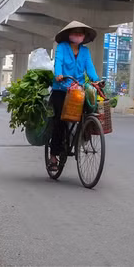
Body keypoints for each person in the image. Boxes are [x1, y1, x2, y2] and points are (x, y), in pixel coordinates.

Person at [48, 21, 101, 168]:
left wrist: (96, 80)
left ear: (84, 37)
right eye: (75, 34)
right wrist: (58, 74)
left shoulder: (85, 52)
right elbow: (57, 63)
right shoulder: (62, 48)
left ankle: (81, 136)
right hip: (61, 89)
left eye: (81, 34)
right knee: (60, 121)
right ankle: (53, 156)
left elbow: (89, 68)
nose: (78, 36)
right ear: (69, 35)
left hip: (78, 90)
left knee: (89, 111)